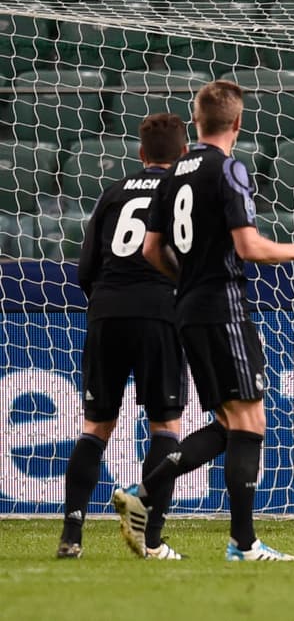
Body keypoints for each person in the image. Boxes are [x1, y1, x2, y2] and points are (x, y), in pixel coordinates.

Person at [111, 79, 294, 562]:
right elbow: (248, 248)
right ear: (239, 122)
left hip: (186, 308)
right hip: (223, 307)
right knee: (250, 423)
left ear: (196, 120)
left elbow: (150, 250)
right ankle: (239, 543)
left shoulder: (174, 173)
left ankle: (149, 496)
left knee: (232, 423)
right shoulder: (229, 170)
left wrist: (189, 279)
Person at [58, 113, 190, 560]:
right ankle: (151, 540)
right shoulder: (182, 192)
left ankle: (71, 535)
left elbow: (85, 269)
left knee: (96, 425)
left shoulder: (113, 193)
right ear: (184, 154)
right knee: (166, 427)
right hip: (159, 313)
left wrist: (108, 302)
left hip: (107, 313)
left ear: (140, 154)